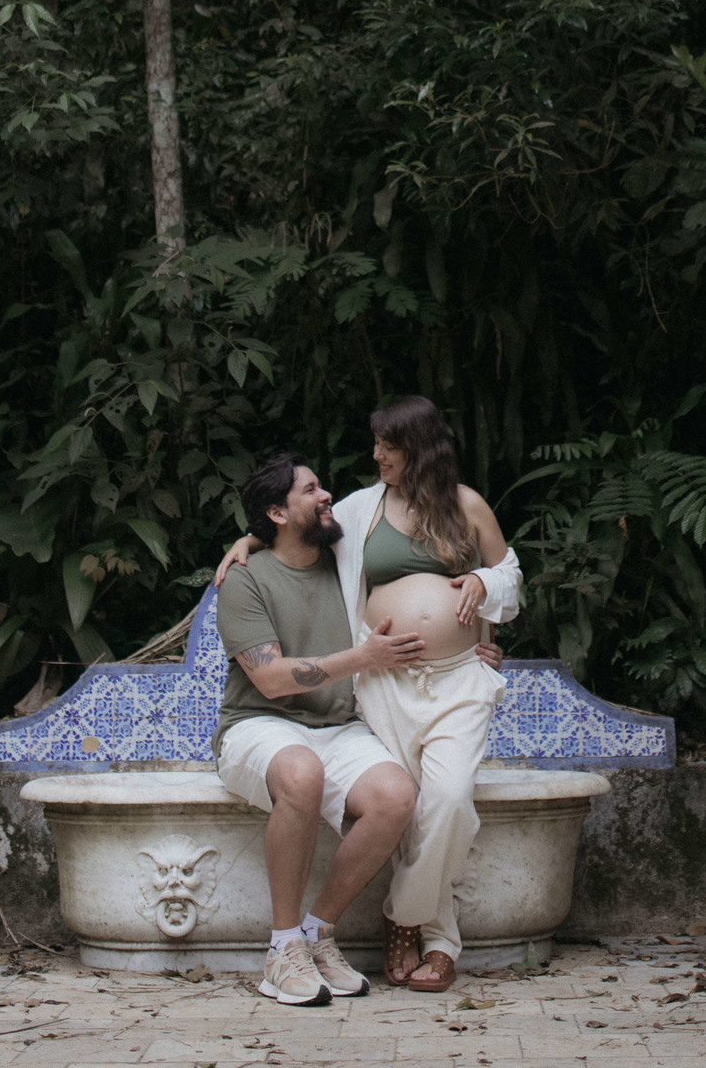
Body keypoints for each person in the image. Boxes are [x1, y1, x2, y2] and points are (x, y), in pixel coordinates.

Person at [216, 394, 521, 993]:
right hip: (376, 688)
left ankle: (383, 921)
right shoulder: (355, 516)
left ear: (419, 448)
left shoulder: (455, 508)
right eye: (312, 489)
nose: (375, 455)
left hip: (451, 679)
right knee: (395, 798)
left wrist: (484, 599)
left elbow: (508, 576)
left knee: (443, 801)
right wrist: (246, 542)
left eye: (388, 445)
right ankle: (307, 943)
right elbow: (285, 538)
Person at [213, 447, 427, 1007]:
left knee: (395, 796)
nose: (326, 494)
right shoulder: (244, 579)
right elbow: (269, 680)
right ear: (277, 513)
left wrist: (477, 644)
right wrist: (362, 657)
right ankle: (281, 949)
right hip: (258, 724)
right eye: (309, 490)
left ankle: (316, 934)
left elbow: (423, 581)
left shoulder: (346, 564)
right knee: (301, 772)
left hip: (336, 726)